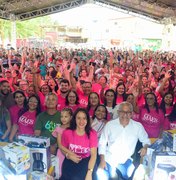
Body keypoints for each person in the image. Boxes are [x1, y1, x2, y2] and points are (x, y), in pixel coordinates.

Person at [97, 102, 150, 180]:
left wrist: (145, 147)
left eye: (128, 112)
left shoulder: (137, 126)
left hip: (127, 161)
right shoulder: (110, 125)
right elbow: (102, 143)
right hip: (110, 160)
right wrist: (102, 160)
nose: (125, 115)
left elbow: (146, 141)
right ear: (118, 112)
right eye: (122, 112)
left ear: (131, 114)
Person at [60, 108, 98, 180]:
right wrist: (68, 156)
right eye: (79, 118)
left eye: (84, 118)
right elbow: (63, 148)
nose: (81, 121)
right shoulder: (67, 133)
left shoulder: (92, 134)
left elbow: (93, 155)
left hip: (87, 163)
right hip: (70, 161)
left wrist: (89, 172)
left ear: (87, 120)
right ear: (75, 119)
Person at [52, 108, 73, 178]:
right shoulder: (59, 128)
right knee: (60, 171)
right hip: (61, 153)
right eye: (62, 116)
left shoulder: (73, 128)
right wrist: (67, 153)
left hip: (72, 152)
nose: (63, 119)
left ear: (71, 117)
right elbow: (60, 145)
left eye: (66, 117)